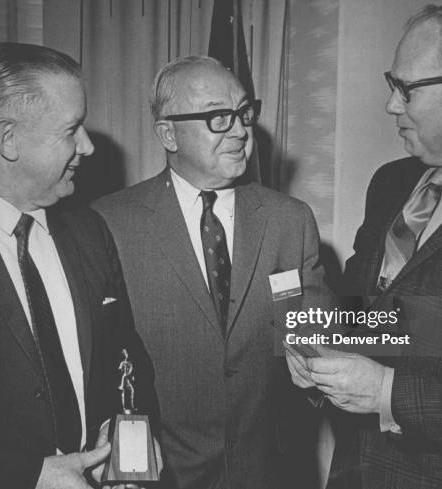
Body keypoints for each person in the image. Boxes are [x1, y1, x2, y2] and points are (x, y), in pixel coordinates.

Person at [287, 4, 442, 488]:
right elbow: (368, 310)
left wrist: (388, 393)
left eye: (406, 89)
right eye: (390, 84)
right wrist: (318, 349)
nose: (392, 105)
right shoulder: (391, 183)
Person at [0, 42, 157, 489]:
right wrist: (23, 478)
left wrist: (122, 438)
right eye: (71, 130)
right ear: (9, 140)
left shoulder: (89, 232)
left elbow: (126, 354)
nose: (87, 146)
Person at [93, 56, 332, 489]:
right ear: (168, 133)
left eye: (244, 113)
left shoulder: (289, 220)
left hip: (269, 472)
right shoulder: (108, 223)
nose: (241, 130)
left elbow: (312, 336)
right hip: (163, 476)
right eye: (218, 117)